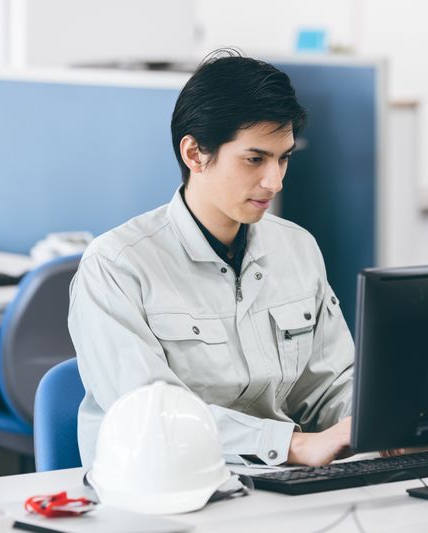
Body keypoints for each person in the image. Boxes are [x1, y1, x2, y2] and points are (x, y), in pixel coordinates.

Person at [69, 50, 354, 469]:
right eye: (255, 159)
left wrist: (369, 425)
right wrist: (290, 446)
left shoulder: (297, 248)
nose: (274, 181)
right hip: (167, 483)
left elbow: (329, 386)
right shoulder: (117, 265)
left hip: (279, 479)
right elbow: (152, 418)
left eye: (284, 158)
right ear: (195, 154)